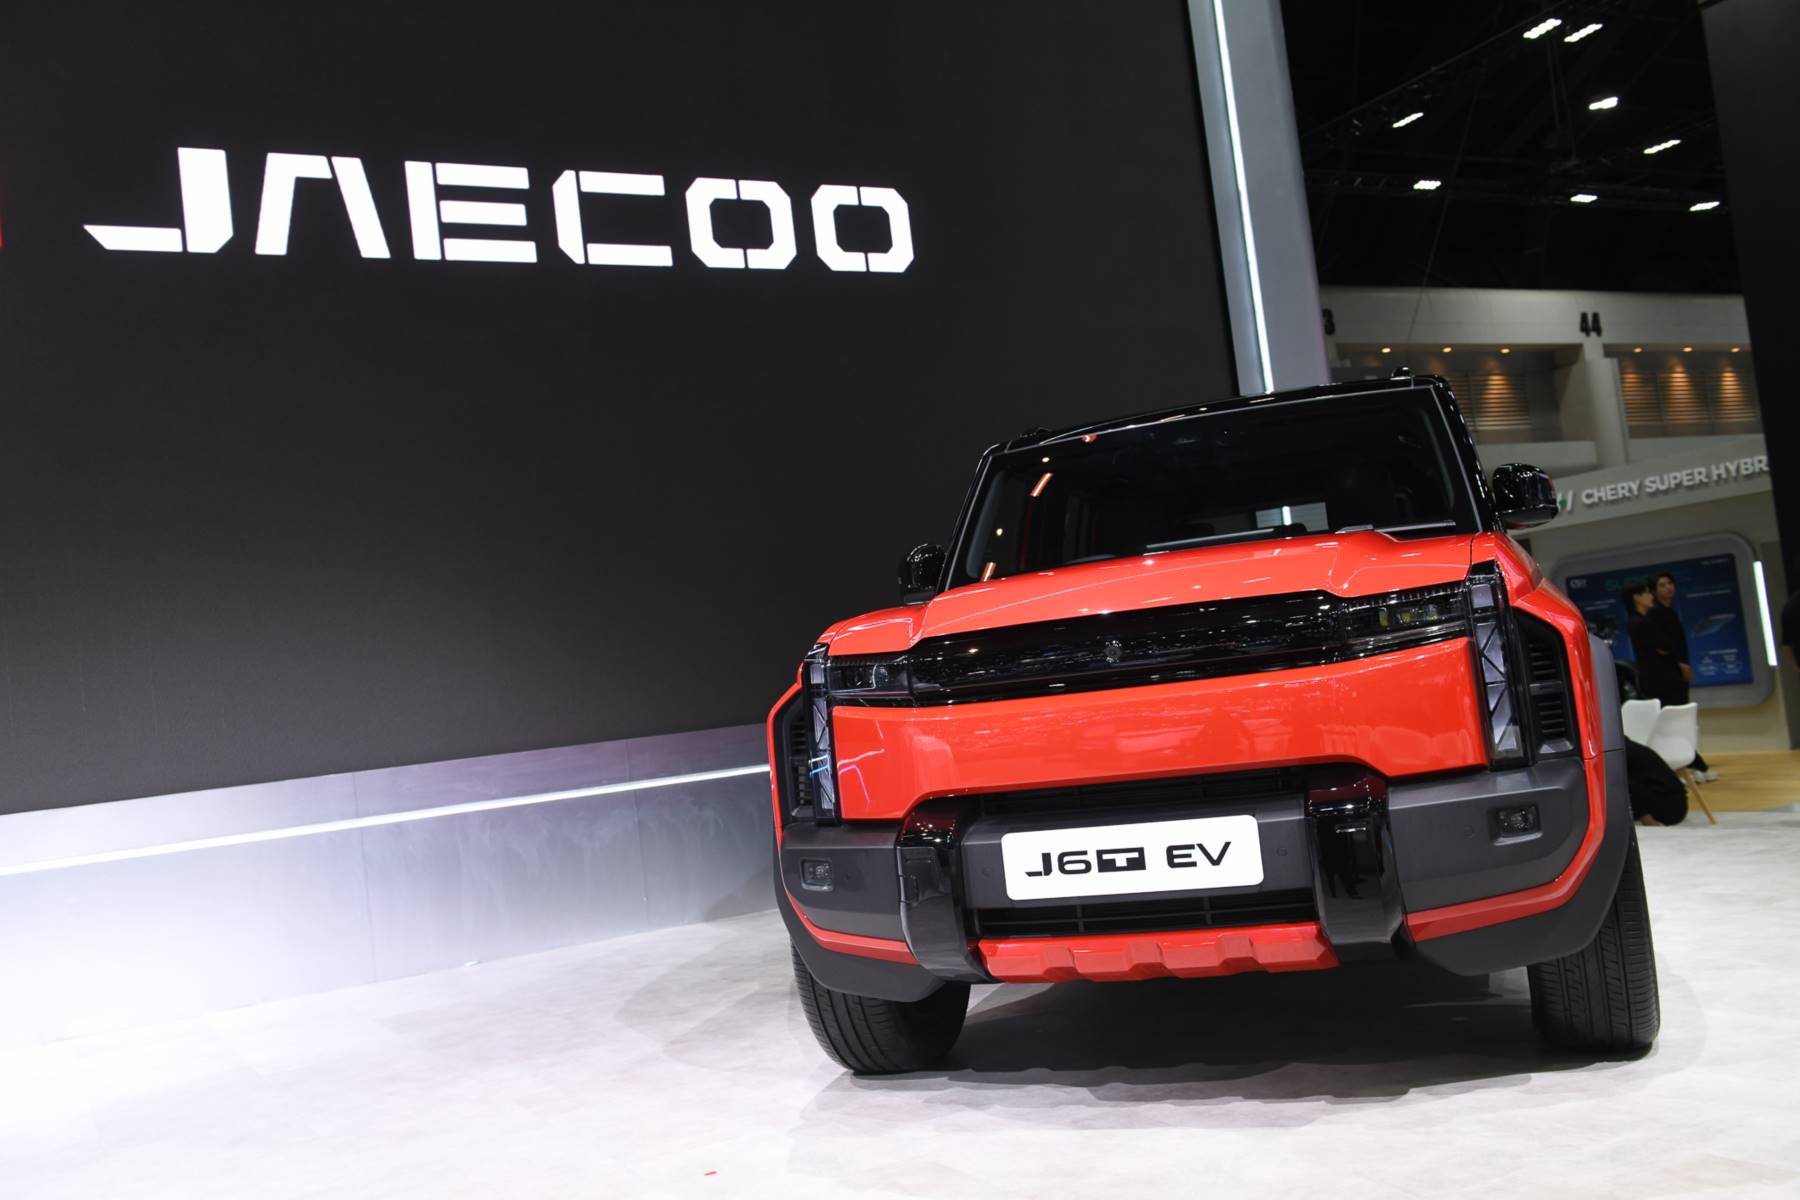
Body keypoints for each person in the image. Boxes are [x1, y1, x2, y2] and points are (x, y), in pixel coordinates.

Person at [1649, 570, 1715, 779]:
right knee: (1676, 717)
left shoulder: (1669, 611)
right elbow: (1663, 645)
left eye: (1670, 583)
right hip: (1669, 674)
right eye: (1662, 585)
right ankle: (1690, 763)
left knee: (1683, 716)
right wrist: (1681, 664)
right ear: (1653, 591)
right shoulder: (1657, 613)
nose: (1668, 588)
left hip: (1676, 672)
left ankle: (1689, 762)